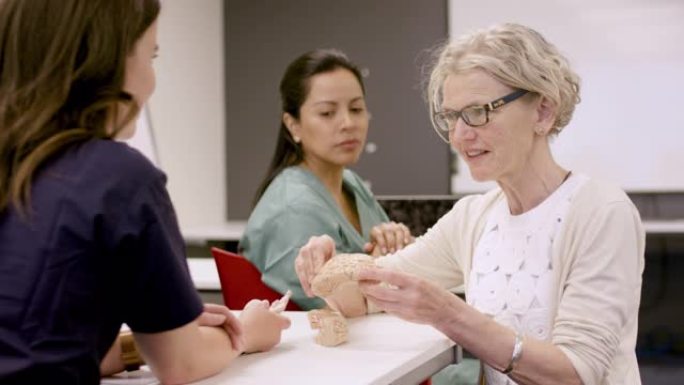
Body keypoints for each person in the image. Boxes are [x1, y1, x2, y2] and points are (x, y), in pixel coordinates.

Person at [295, 23, 645, 385]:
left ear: (542, 111)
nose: (460, 136)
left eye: (479, 111)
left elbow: (575, 373)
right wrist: (328, 271)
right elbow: (368, 296)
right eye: (450, 117)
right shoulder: (473, 218)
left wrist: (450, 314)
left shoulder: (601, 212)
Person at [0, 1, 289, 384]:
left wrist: (160, 320)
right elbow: (181, 364)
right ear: (105, 62)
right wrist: (247, 332)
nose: (152, 80)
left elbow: (37, 344)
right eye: (151, 56)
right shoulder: (117, 178)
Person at [240, 49, 413, 310]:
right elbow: (345, 304)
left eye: (356, 109)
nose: (348, 123)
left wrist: (395, 240)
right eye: (327, 113)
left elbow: (396, 267)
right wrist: (386, 260)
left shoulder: (350, 183)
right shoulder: (294, 208)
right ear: (293, 125)